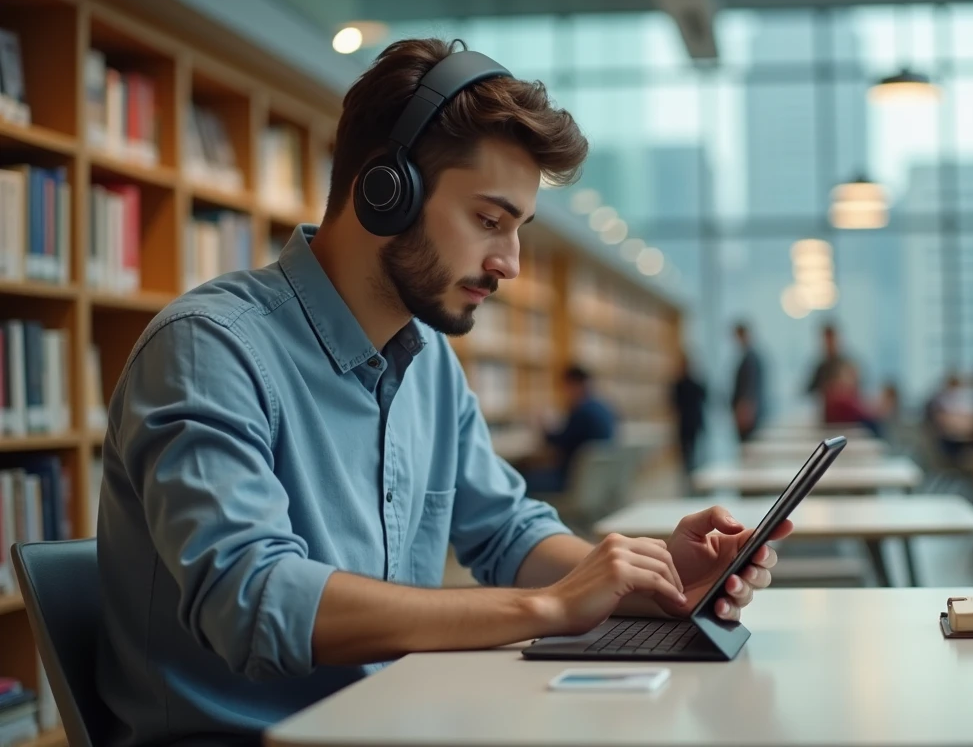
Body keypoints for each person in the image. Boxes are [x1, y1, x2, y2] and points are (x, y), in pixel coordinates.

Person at [95, 39, 791, 746]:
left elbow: (506, 531)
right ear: (385, 192)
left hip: (399, 719)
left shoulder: (428, 364)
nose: (510, 263)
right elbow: (257, 604)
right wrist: (548, 607)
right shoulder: (209, 349)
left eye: (518, 229)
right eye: (489, 220)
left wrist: (652, 579)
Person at [524, 365, 616, 494]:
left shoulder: (581, 411)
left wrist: (544, 427)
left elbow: (560, 443)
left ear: (573, 385)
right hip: (597, 479)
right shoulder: (604, 407)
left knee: (519, 481)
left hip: (573, 480)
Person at [670, 352, 707, 486]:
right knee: (693, 452)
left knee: (688, 454)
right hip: (693, 422)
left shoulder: (678, 384)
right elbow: (705, 396)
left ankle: (691, 478)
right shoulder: (694, 383)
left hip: (686, 423)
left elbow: (674, 404)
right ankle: (693, 477)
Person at [821, 359, 884, 438]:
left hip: (848, 430)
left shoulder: (845, 392)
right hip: (842, 432)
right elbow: (859, 411)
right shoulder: (838, 393)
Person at [731, 321, 765, 442]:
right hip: (747, 412)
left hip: (747, 414)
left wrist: (745, 409)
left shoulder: (750, 358)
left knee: (748, 445)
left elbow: (750, 387)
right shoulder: (748, 356)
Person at [804, 322, 842, 396]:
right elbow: (809, 390)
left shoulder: (847, 366)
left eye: (831, 340)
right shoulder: (821, 367)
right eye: (826, 340)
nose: (828, 344)